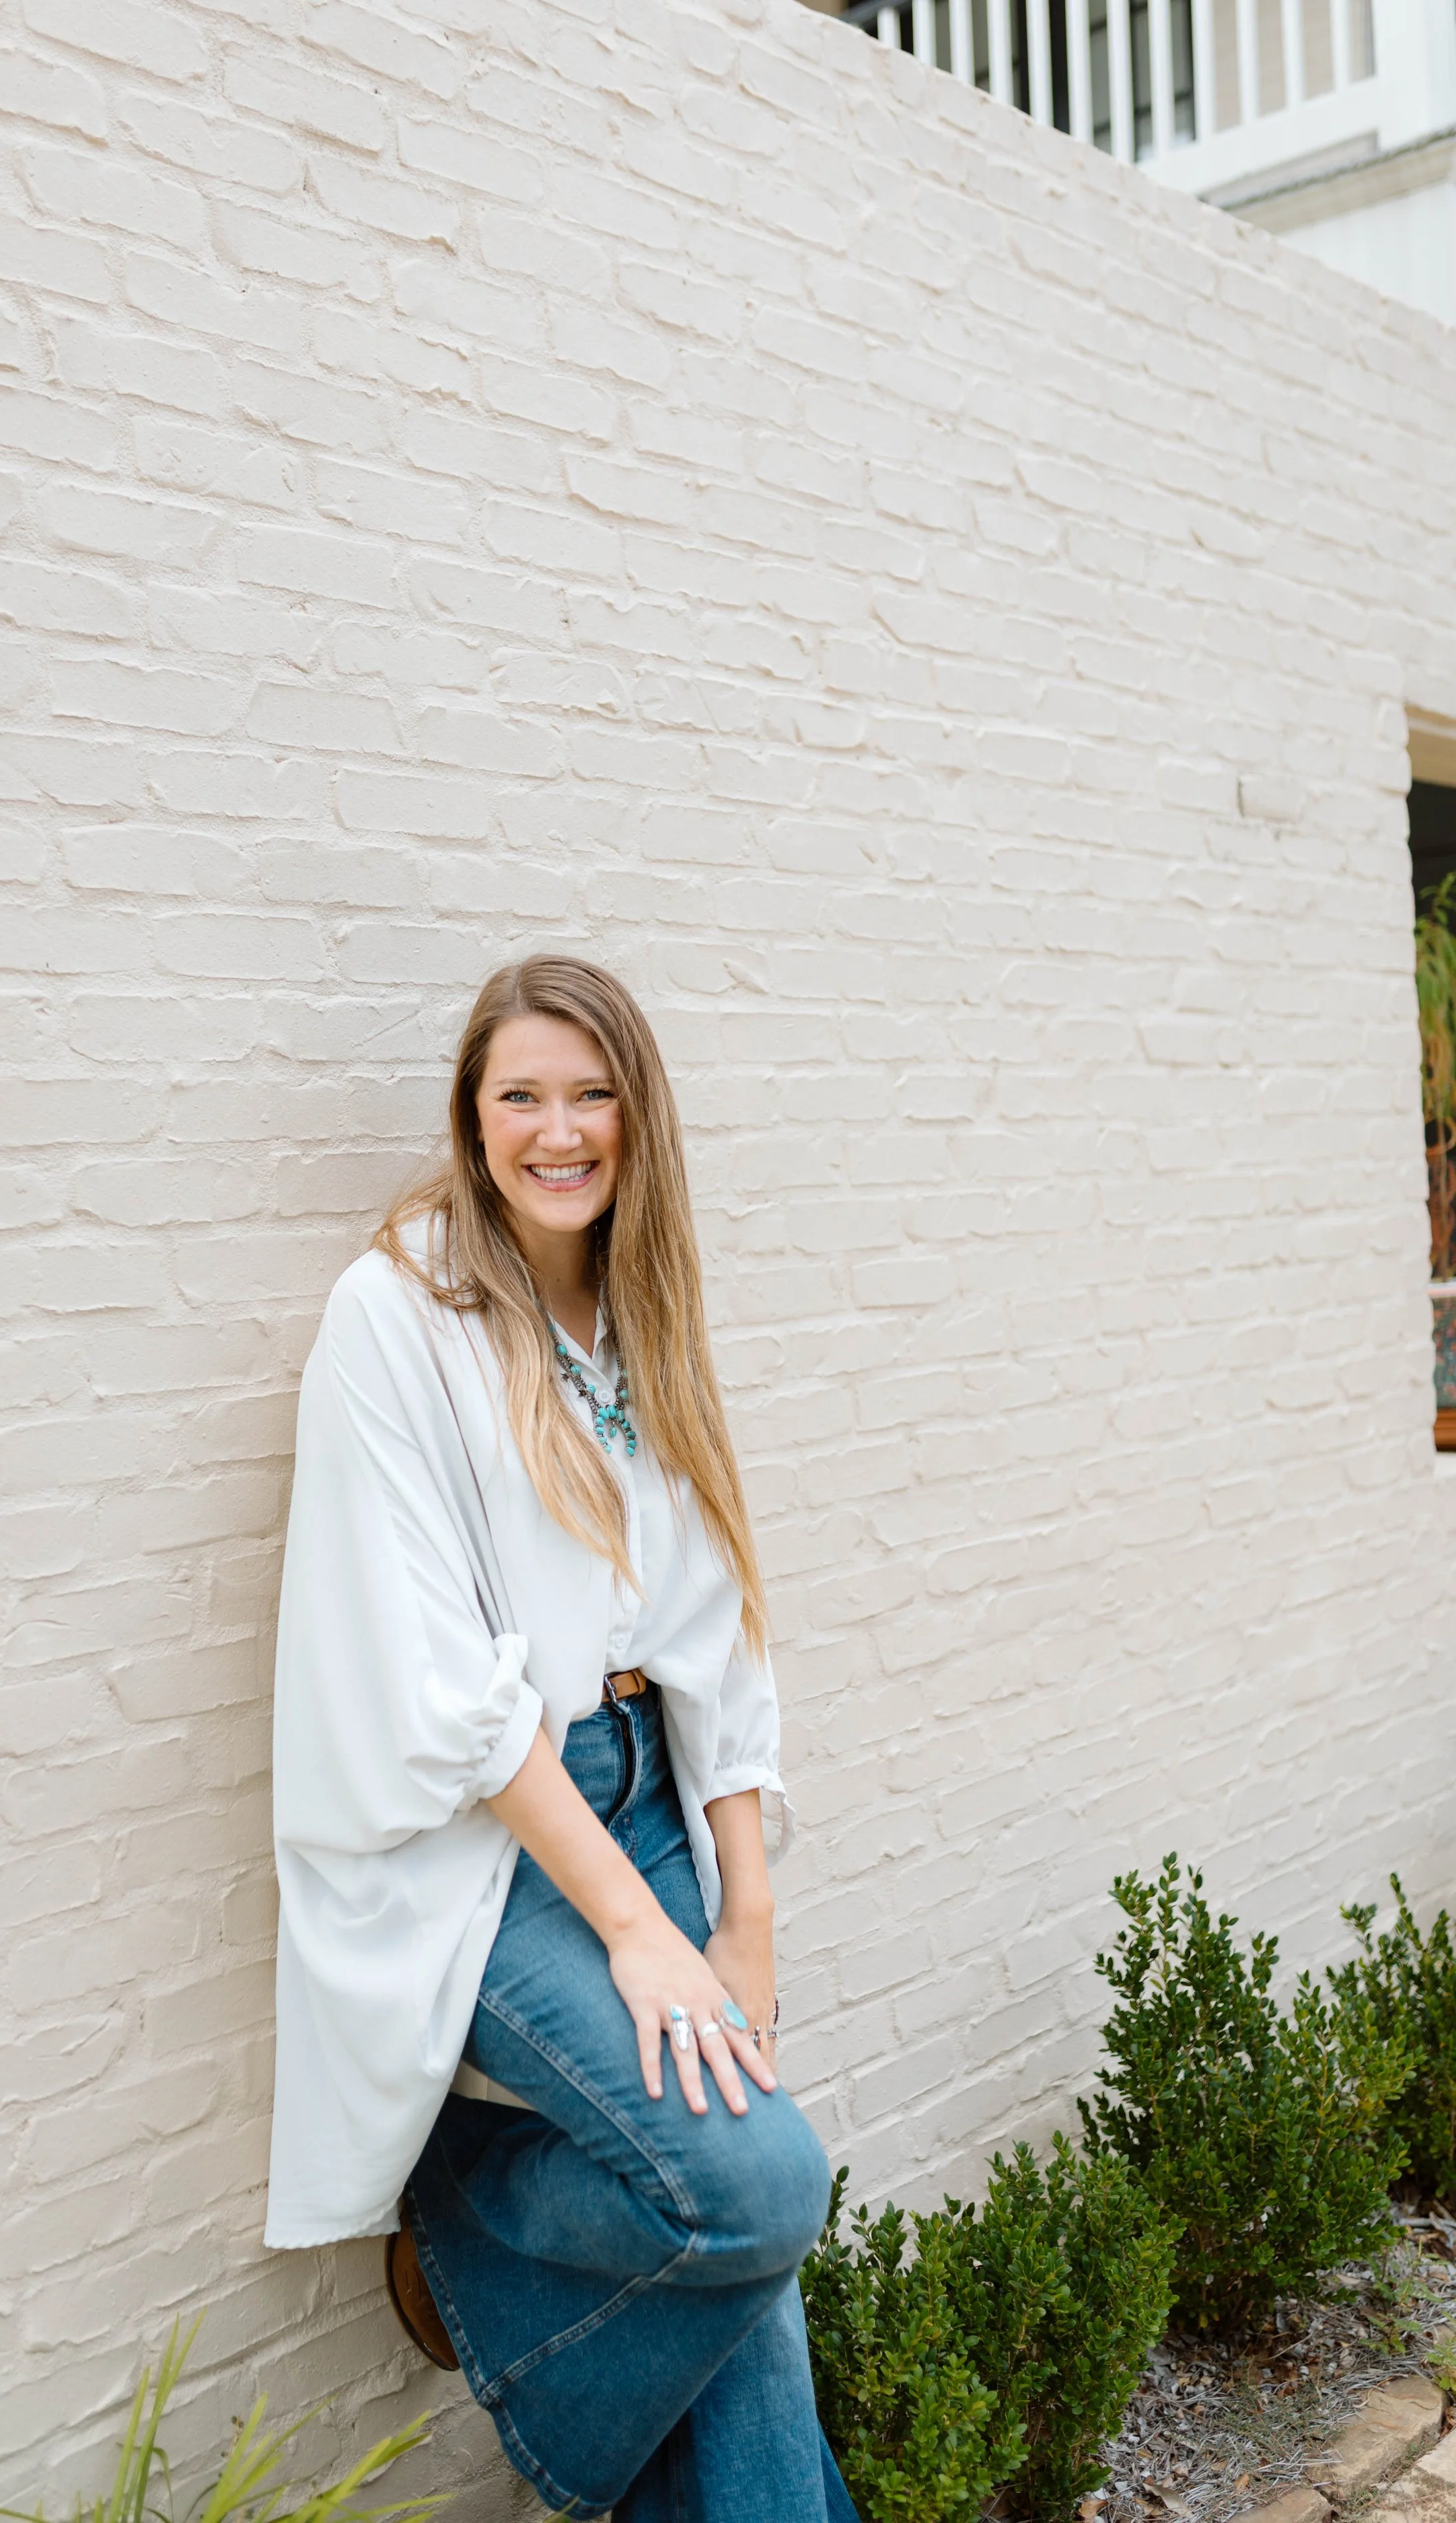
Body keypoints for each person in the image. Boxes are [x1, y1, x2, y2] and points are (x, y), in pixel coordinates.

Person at [264, 955, 859, 2521]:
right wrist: (632, 1932)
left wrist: (742, 1914)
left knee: (744, 2270)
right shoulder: (397, 1311)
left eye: (590, 1094)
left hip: (647, 1791)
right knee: (757, 2187)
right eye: (520, 1094)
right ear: (471, 1115)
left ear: (636, 1116)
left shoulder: (638, 1304)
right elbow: (444, 1685)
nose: (558, 1130)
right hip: (488, 1836)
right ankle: (460, 2212)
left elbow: (713, 1621)